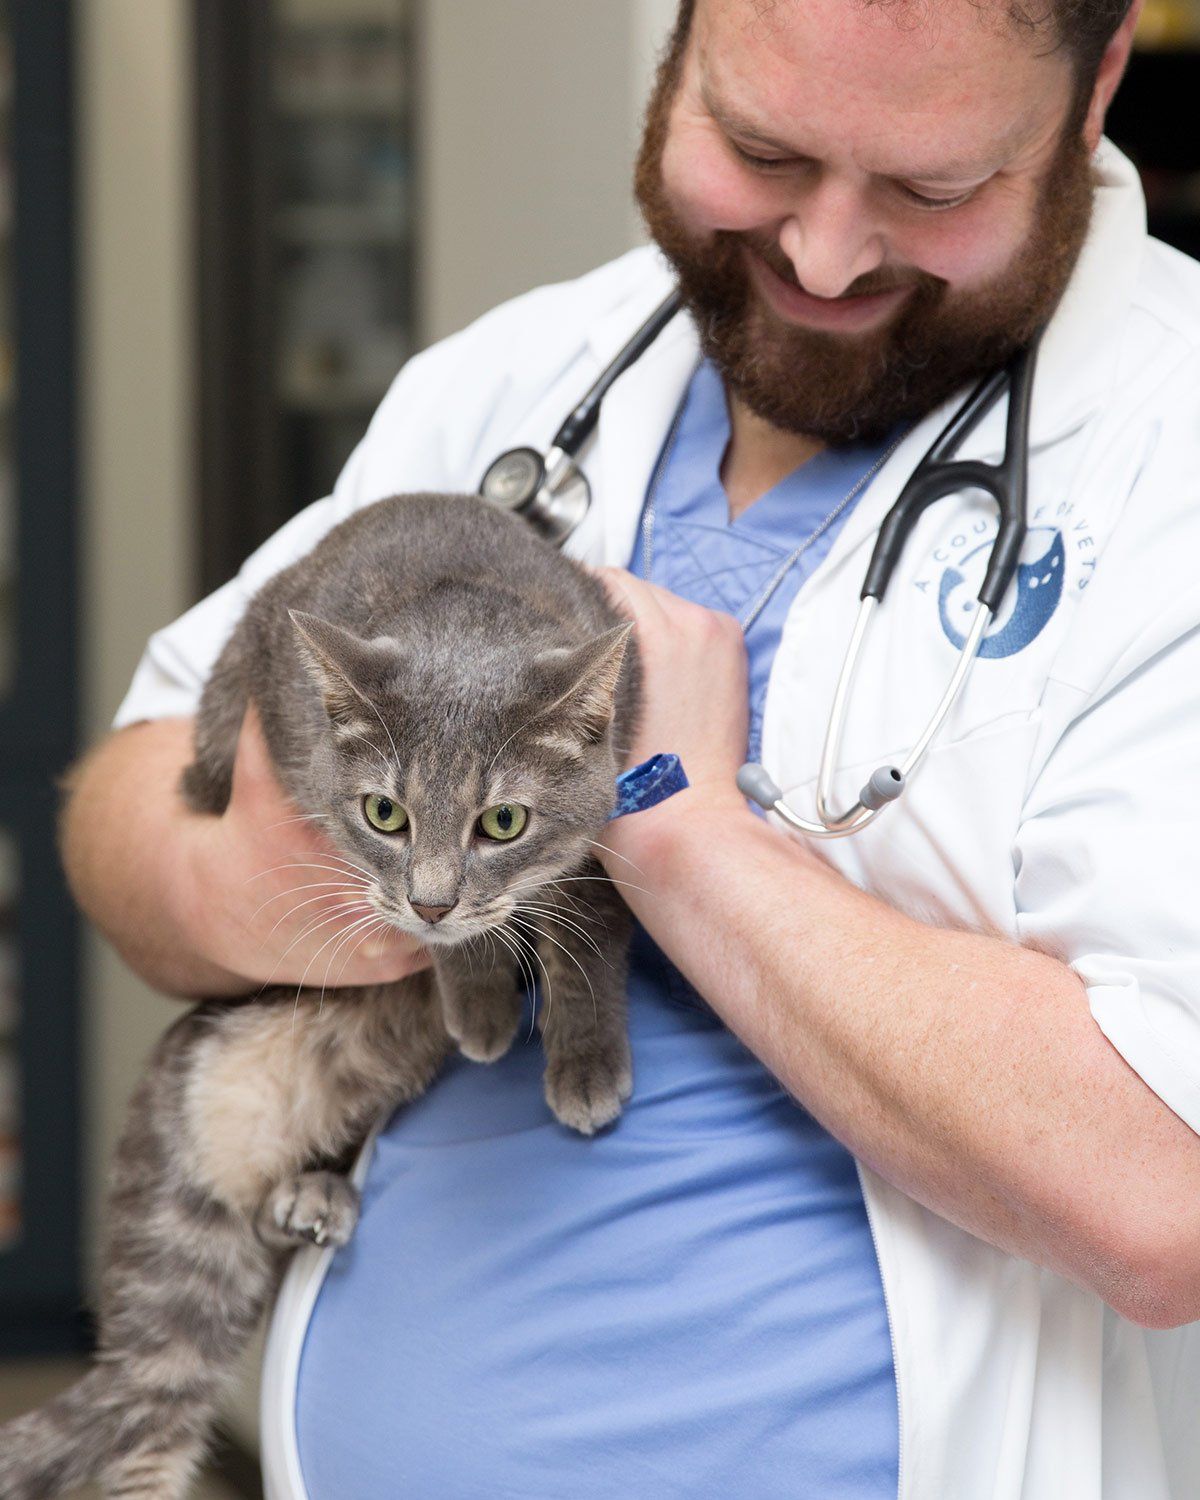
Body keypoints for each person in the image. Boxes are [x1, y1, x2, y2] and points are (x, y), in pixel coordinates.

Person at [63, 0, 1200, 1495]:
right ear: (676, 45)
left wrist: (676, 830)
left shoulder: (1172, 449)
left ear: (1099, 84)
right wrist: (322, 881)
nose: (826, 255)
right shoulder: (522, 375)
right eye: (761, 149)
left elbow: (1157, 1197)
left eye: (933, 189)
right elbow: (127, 803)